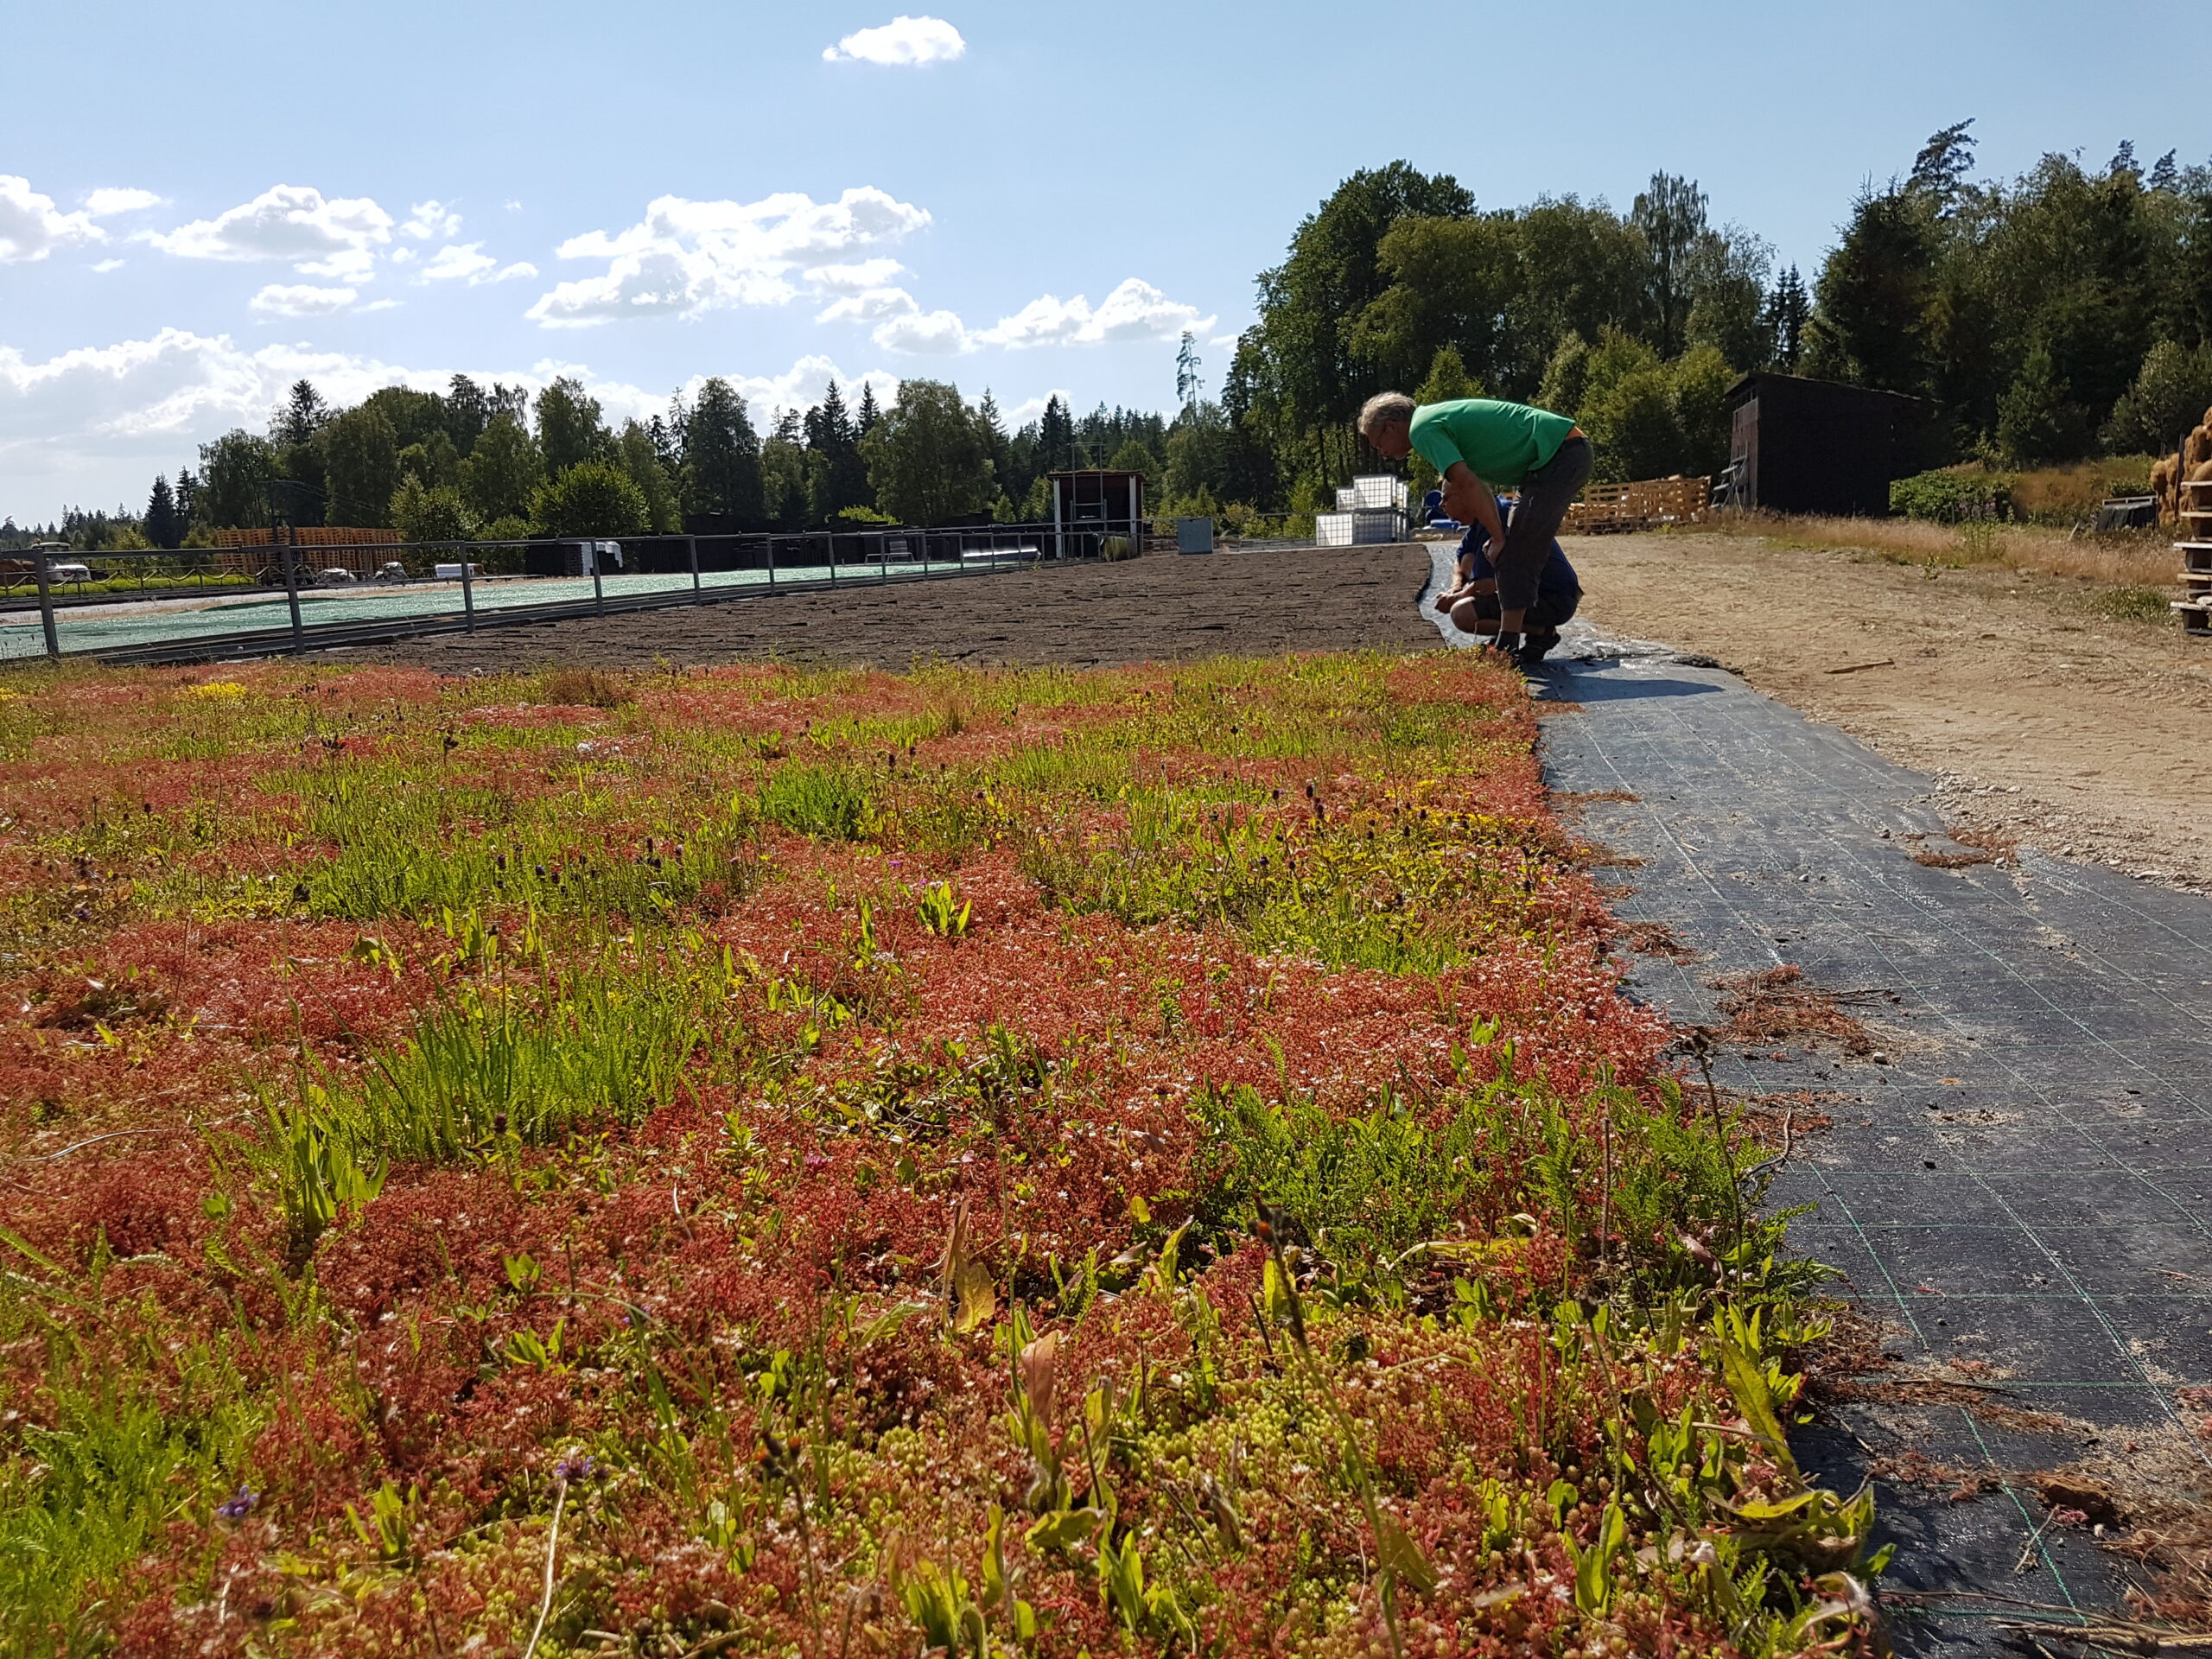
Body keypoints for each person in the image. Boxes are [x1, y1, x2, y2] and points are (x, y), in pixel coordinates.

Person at [1358, 391, 1592, 664]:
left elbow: (1466, 483)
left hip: (1562, 453)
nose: (1381, 452)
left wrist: (1499, 538)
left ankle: (1508, 644)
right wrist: (1498, 537)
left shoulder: (1421, 429)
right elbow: (1476, 485)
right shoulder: (1431, 420)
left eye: (1378, 443)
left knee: (1516, 547)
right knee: (1511, 545)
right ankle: (1527, 636)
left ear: (1391, 426)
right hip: (1552, 457)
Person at [1433, 502, 1581, 660]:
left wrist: (1456, 598)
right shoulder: (1481, 519)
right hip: (1536, 595)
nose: (1441, 504)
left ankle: (1539, 632)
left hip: (1554, 599)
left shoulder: (1498, 518)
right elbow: (1461, 559)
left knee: (1462, 613)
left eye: (1447, 497)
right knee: (1468, 562)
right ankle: (1511, 633)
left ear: (1466, 492)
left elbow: (1487, 585)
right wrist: (1455, 587)